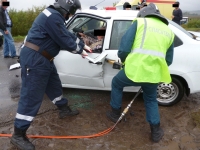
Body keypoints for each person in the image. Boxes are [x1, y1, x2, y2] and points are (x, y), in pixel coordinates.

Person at [10, 0, 91, 149]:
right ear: (66, 9)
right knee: (31, 96)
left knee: (54, 85)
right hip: (36, 59)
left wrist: (81, 43)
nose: (69, 16)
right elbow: (64, 38)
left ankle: (63, 109)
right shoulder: (53, 16)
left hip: (44, 58)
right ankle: (18, 134)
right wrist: (80, 49)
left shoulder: (53, 15)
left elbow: (65, 33)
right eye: (70, 12)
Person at [106, 3, 174, 143]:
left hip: (134, 69)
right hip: (153, 74)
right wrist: (153, 69)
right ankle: (155, 131)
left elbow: (124, 49)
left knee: (117, 84)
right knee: (150, 99)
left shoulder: (140, 22)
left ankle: (115, 113)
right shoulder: (169, 31)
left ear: (143, 14)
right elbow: (169, 60)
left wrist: (125, 62)